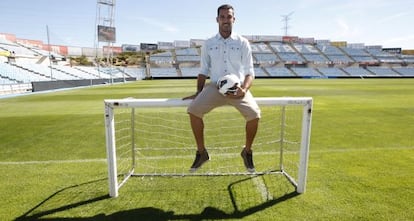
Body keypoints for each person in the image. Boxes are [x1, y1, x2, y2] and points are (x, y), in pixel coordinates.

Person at [183, 4, 261, 173]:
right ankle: (201, 153)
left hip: (238, 88)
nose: (226, 20)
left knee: (254, 115)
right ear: (217, 19)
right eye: (223, 17)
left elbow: (250, 72)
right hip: (215, 87)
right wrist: (198, 92)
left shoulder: (243, 43)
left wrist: (244, 90)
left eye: (229, 17)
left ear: (234, 19)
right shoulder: (209, 43)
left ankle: (247, 152)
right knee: (193, 110)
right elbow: (203, 70)